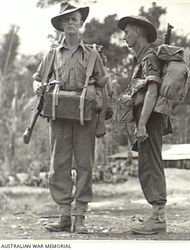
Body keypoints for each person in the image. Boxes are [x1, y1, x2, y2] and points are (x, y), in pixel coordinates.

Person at [33, 2, 108, 234]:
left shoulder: (93, 54)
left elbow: (104, 87)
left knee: (85, 164)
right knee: (58, 165)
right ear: (61, 25)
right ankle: (64, 215)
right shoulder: (52, 53)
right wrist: (37, 86)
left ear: (81, 23)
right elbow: (37, 78)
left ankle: (80, 216)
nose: (70, 23)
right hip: (59, 115)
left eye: (74, 19)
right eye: (66, 20)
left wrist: (103, 119)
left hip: (86, 116)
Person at [117, 16, 171, 235]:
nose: (124, 35)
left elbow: (152, 90)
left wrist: (141, 125)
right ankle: (156, 215)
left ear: (138, 32)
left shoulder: (148, 56)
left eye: (127, 31)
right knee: (147, 164)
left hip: (149, 118)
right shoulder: (141, 58)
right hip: (146, 117)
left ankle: (158, 218)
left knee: (151, 165)